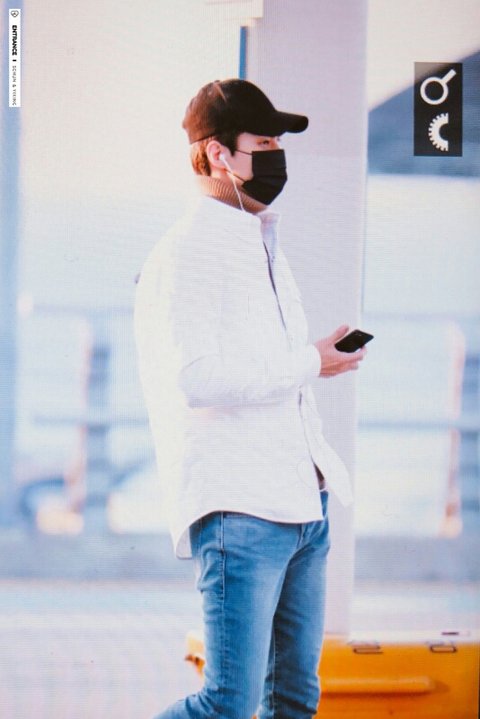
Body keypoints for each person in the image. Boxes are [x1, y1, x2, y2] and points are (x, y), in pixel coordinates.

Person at [134, 78, 366, 719]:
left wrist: (315, 362)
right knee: (226, 705)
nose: (276, 155)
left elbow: (265, 368)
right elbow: (196, 378)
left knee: (294, 700)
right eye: (263, 142)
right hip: (241, 510)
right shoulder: (188, 251)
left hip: (304, 503)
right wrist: (307, 361)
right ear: (216, 153)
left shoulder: (258, 238)